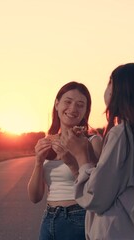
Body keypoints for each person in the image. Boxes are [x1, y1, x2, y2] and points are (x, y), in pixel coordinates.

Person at [61, 62, 134, 240]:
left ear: (120, 90)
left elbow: (96, 197)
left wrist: (81, 155)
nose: (107, 89)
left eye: (110, 82)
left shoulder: (121, 134)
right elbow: (115, 185)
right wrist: (78, 161)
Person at [28, 81, 103, 240]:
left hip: (79, 217)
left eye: (80, 105)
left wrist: (70, 161)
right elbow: (35, 197)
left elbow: (97, 190)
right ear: (57, 104)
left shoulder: (92, 141)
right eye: (67, 102)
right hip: (49, 218)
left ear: (86, 111)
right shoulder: (47, 142)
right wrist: (38, 162)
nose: (73, 109)